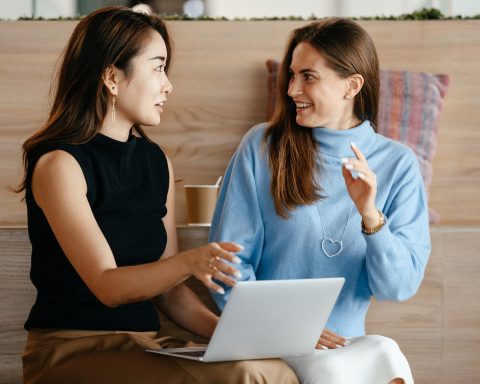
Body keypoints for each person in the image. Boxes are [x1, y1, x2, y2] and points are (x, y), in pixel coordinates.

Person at [16, 5, 299, 384]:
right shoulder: (60, 165)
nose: (168, 85)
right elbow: (108, 286)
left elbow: (170, 294)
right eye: (158, 67)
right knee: (248, 377)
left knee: (274, 369)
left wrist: (240, 339)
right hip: (70, 348)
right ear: (112, 77)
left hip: (144, 344)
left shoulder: (156, 161)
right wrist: (189, 261)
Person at [209, 18, 431, 384]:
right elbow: (226, 266)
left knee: (387, 351)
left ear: (352, 85)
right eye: (291, 75)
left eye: (308, 76)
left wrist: (370, 216)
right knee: (335, 369)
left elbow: (399, 286)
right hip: (271, 339)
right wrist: (286, 329)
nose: (293, 88)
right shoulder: (262, 147)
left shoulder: (399, 164)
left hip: (347, 342)